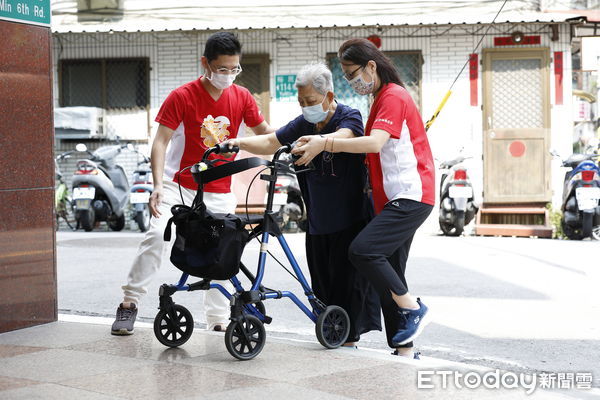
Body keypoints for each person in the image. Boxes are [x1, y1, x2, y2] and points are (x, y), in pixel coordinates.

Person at [111, 32, 274, 335]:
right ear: (205, 64)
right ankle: (129, 303)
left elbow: (265, 134)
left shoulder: (242, 97)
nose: (228, 76)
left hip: (219, 189)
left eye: (234, 69)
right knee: (156, 236)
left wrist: (291, 141)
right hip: (179, 185)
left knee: (224, 248)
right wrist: (157, 185)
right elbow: (160, 142)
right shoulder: (182, 96)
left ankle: (217, 318)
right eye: (222, 69)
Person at [292, 39, 435, 357]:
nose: (351, 81)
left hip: (410, 195)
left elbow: (372, 144)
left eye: (353, 73)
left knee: (363, 251)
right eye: (345, 76)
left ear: (372, 66)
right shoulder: (382, 98)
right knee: (389, 274)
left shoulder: (393, 95)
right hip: (392, 199)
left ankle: (414, 307)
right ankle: (405, 349)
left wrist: (324, 144)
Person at [224, 62, 381, 346]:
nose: (306, 107)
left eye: (310, 101)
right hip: (318, 220)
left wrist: (322, 141)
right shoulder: (304, 123)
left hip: (351, 220)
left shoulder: (349, 116)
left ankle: (348, 342)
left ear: (329, 96)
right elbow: (272, 141)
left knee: (348, 288)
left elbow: (348, 136)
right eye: (301, 102)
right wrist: (239, 143)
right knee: (321, 288)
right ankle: (334, 338)